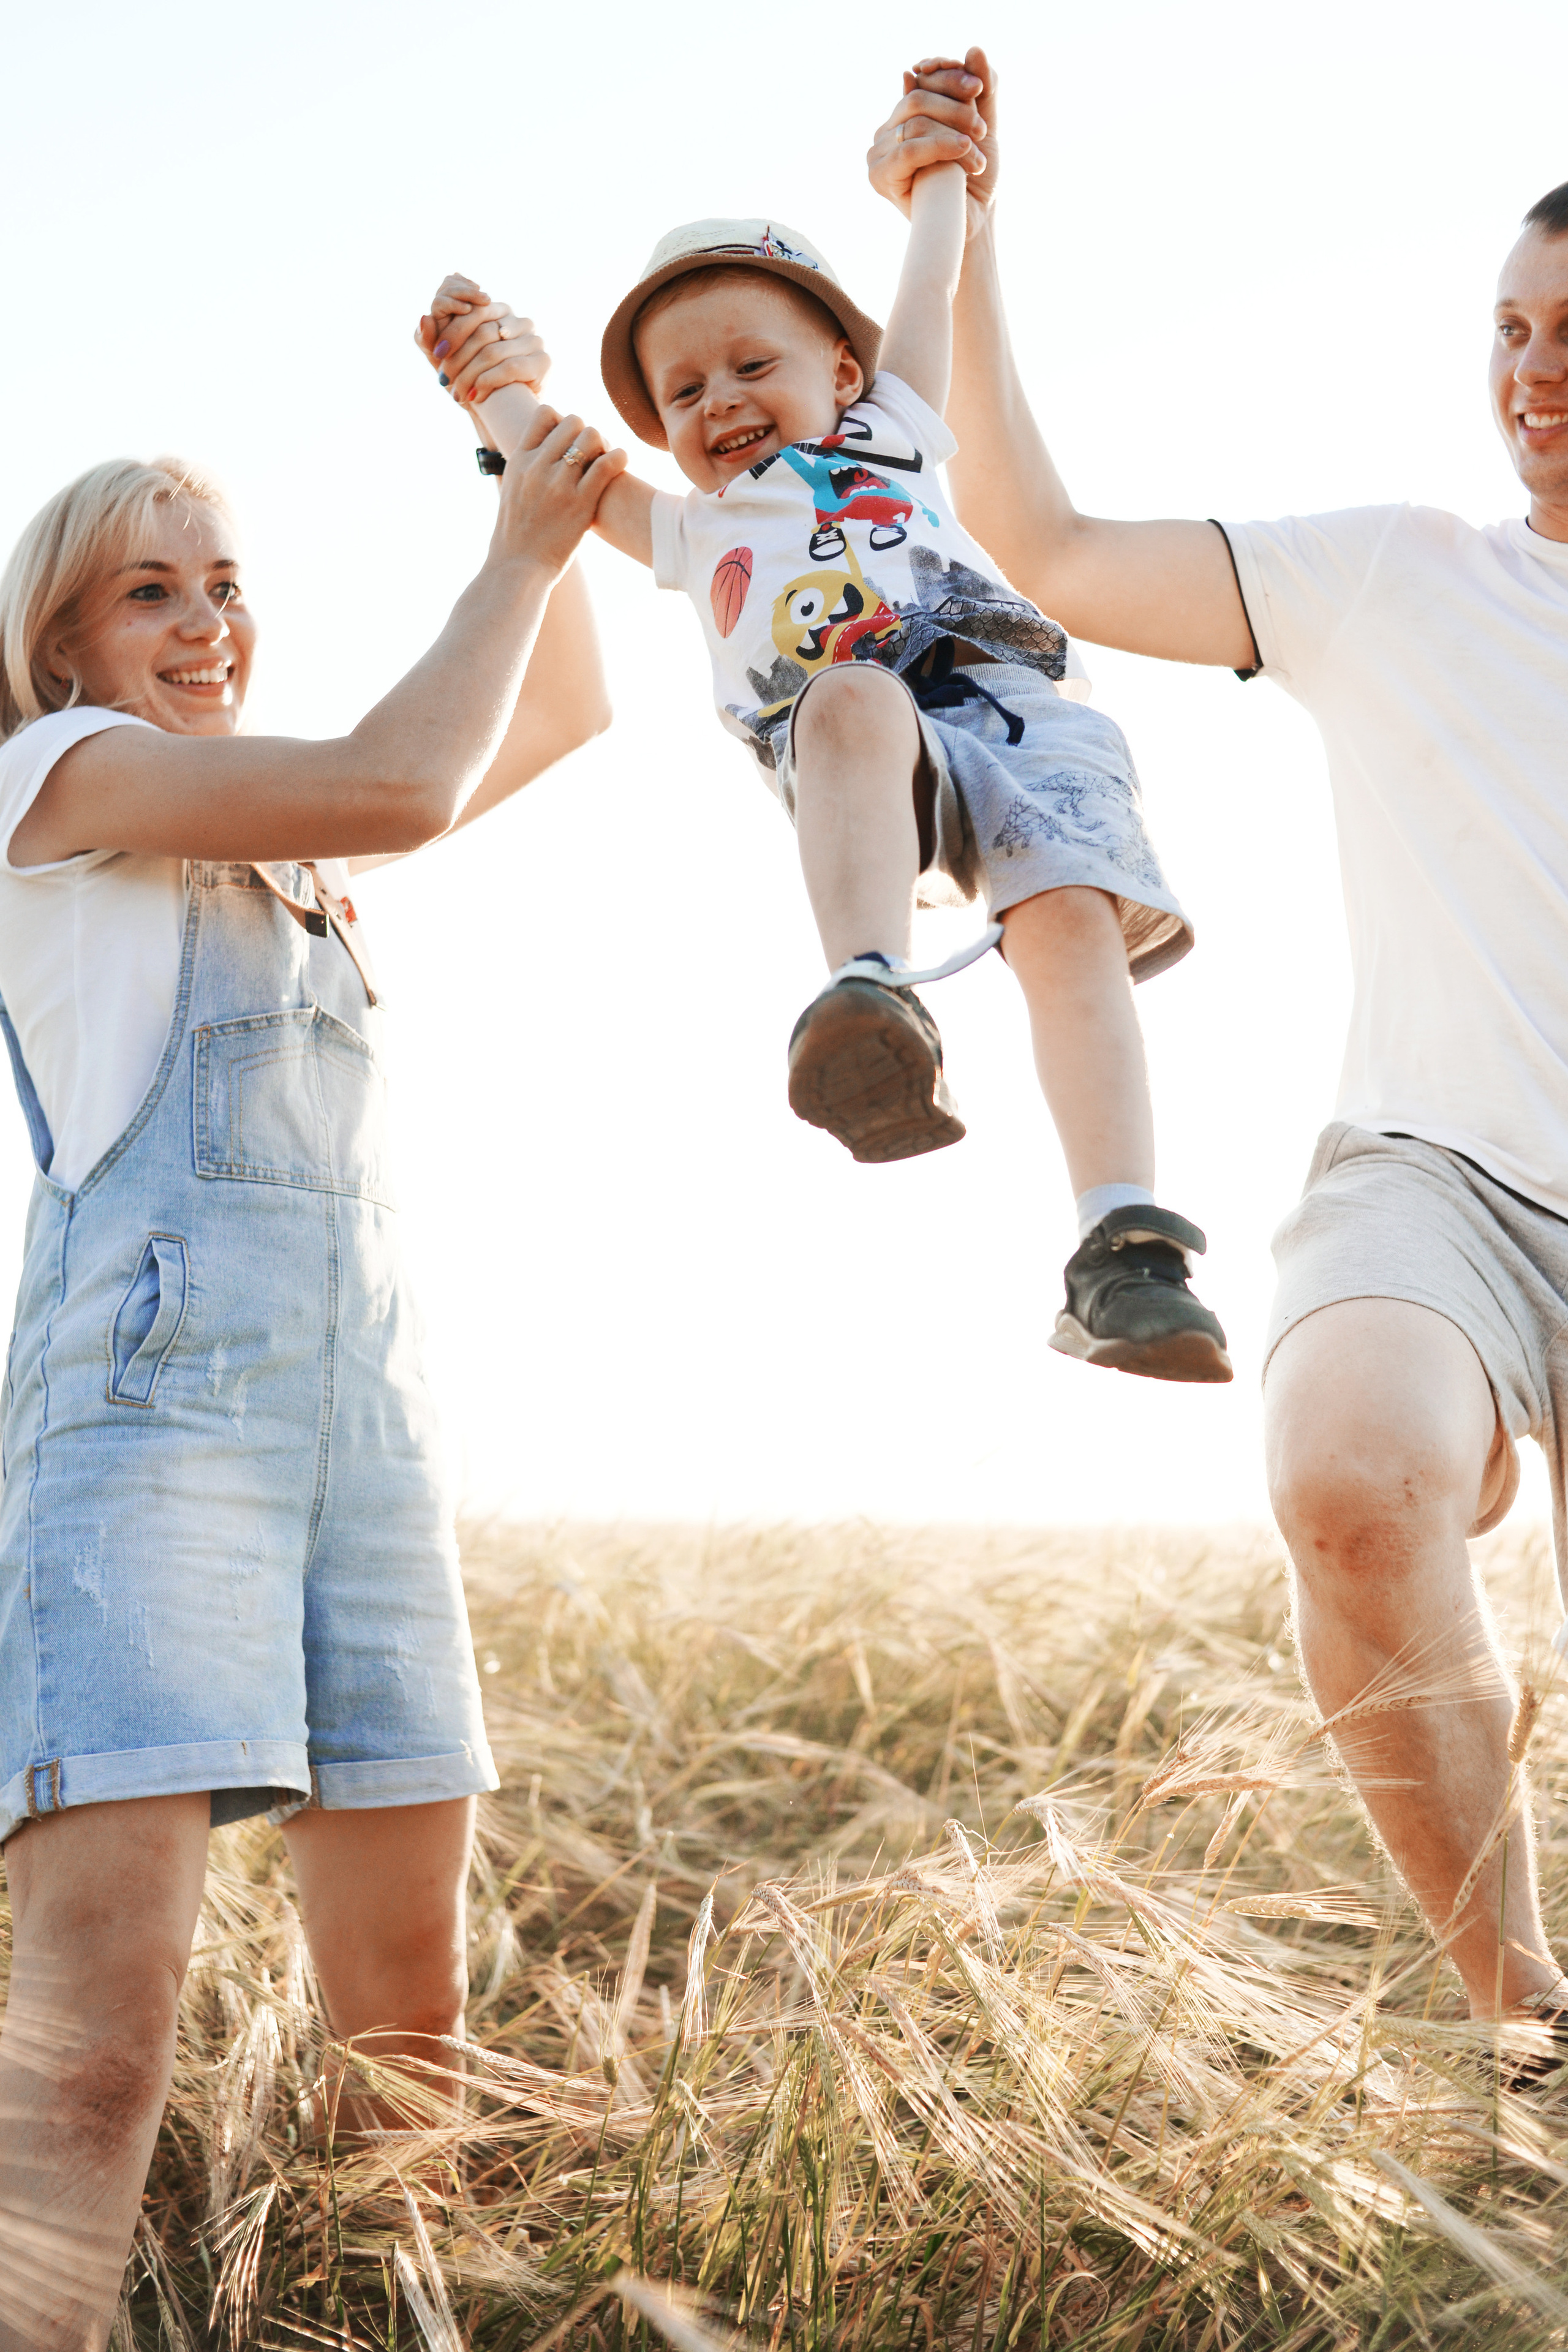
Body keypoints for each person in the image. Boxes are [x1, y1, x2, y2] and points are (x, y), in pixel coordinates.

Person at [870, 48, 1568, 2044]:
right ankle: (1517, 2018)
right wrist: (965, 232)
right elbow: (1049, 544)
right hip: (1432, 1180)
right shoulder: (1402, 571)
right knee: (1351, 1478)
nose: (1530, 372)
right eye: (1507, 331)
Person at [0, 390, 625, 2348]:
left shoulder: (298, 860)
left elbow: (561, 708)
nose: (203, 624)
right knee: (99, 2035)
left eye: (226, 587)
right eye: (149, 594)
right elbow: (404, 777)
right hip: (150, 1419)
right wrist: (517, 541)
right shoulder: (62, 779)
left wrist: (522, 430)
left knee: (408, 2041)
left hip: (364, 1423)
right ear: (66, 649)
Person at [424, 178, 1232, 1387]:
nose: (721, 401)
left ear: (841, 375)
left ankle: (1120, 1245)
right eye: (683, 392)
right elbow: (559, 469)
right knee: (848, 691)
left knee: (1065, 917)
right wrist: (484, 372)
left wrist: (944, 179)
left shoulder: (893, 424)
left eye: (753, 364)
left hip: (1008, 706)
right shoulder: (692, 530)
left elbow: (925, 286)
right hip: (863, 748)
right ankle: (869, 996)